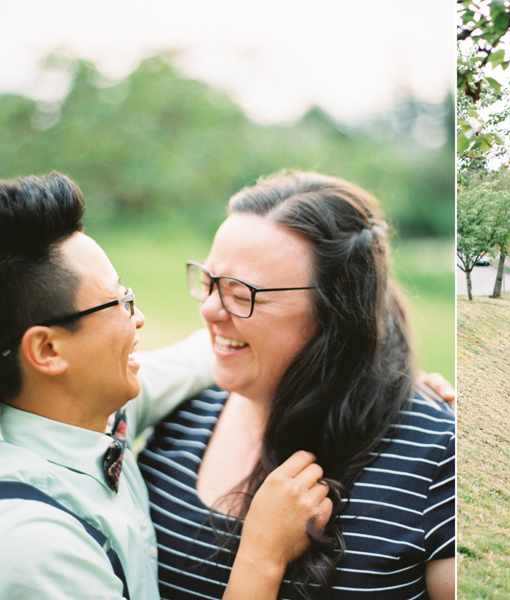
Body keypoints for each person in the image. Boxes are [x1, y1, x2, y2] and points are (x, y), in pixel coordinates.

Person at [0, 173, 333, 600]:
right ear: (47, 351)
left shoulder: (82, 411)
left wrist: (357, 358)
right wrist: (262, 555)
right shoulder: (38, 548)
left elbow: (200, 357)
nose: (138, 318)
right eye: (118, 303)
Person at [137, 171, 456, 600]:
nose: (210, 310)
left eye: (241, 292)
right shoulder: (181, 411)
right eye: (210, 282)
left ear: (335, 310)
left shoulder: (436, 457)